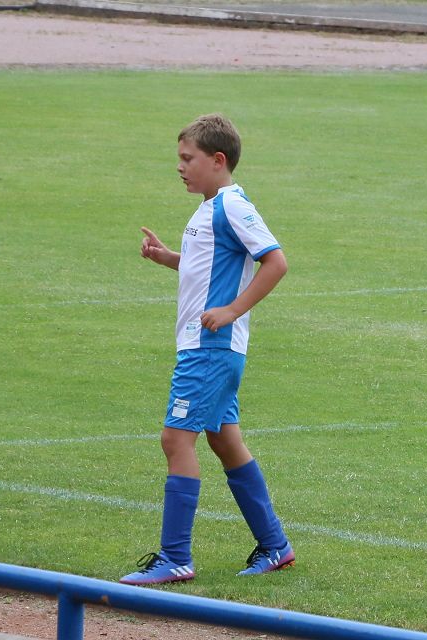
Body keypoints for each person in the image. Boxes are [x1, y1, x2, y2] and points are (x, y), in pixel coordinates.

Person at [120, 114, 294, 585]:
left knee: (176, 440)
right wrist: (168, 258)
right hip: (208, 347)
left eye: (187, 158)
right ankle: (276, 546)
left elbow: (276, 262)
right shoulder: (208, 207)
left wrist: (233, 310)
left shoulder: (232, 207)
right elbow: (209, 266)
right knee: (224, 439)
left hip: (210, 348)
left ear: (218, 160)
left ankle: (175, 556)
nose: (180, 167)